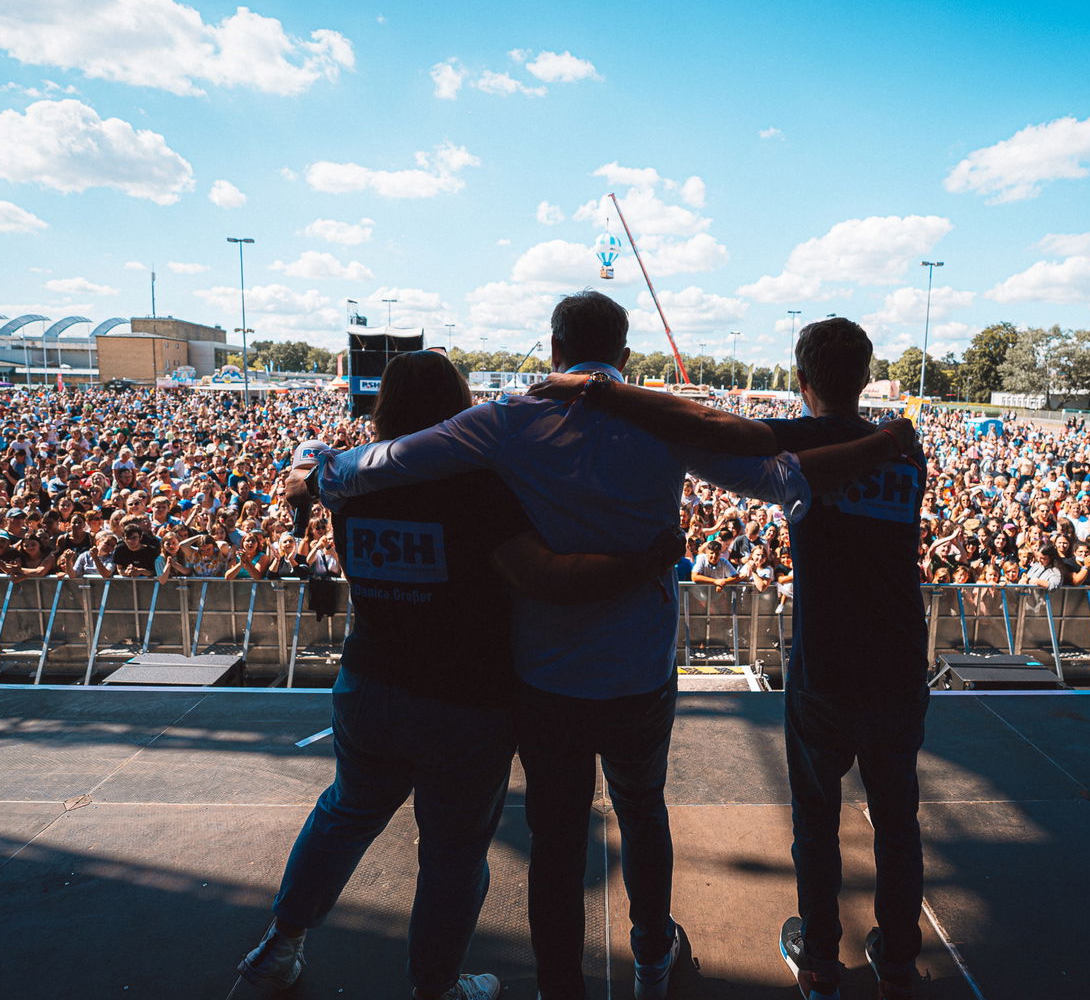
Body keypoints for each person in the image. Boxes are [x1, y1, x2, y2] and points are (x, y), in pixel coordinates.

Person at [297, 292, 910, 1000]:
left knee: (556, 842)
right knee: (643, 810)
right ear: (624, 356)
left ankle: (561, 984)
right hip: (640, 671)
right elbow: (784, 480)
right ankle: (652, 956)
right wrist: (890, 443)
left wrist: (319, 474)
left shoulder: (505, 421)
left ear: (554, 352)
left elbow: (388, 460)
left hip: (544, 674)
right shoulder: (663, 424)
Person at [245, 351, 685, 1000]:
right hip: (463, 703)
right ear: (460, 404)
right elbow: (540, 576)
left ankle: (277, 947)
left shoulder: (349, 482)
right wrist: (644, 564)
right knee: (451, 856)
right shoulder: (477, 487)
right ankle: (435, 986)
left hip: (369, 683)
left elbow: (308, 471)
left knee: (343, 814)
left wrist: (303, 463)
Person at [529, 317, 929, 1000]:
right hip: (898, 658)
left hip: (828, 660)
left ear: (801, 380)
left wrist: (598, 390)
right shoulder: (905, 447)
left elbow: (716, 430)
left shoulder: (807, 437)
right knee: (897, 818)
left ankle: (821, 960)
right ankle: (897, 961)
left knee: (816, 816)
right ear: (865, 376)